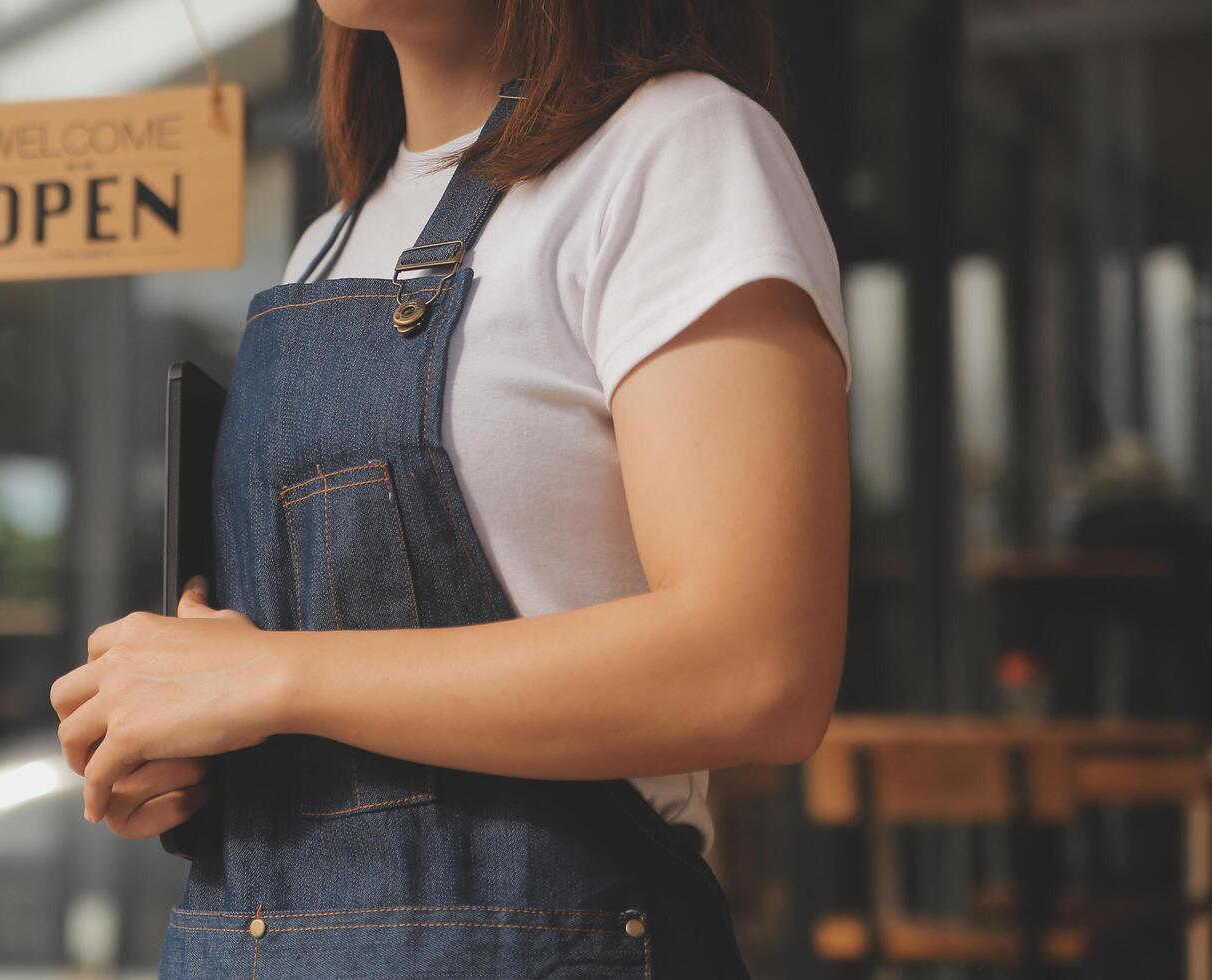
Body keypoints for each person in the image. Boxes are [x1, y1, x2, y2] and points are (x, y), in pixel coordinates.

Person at [49, 1, 851, 975]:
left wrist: (271, 677)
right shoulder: (326, 245)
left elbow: (756, 665)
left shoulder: (676, 151)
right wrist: (189, 760)